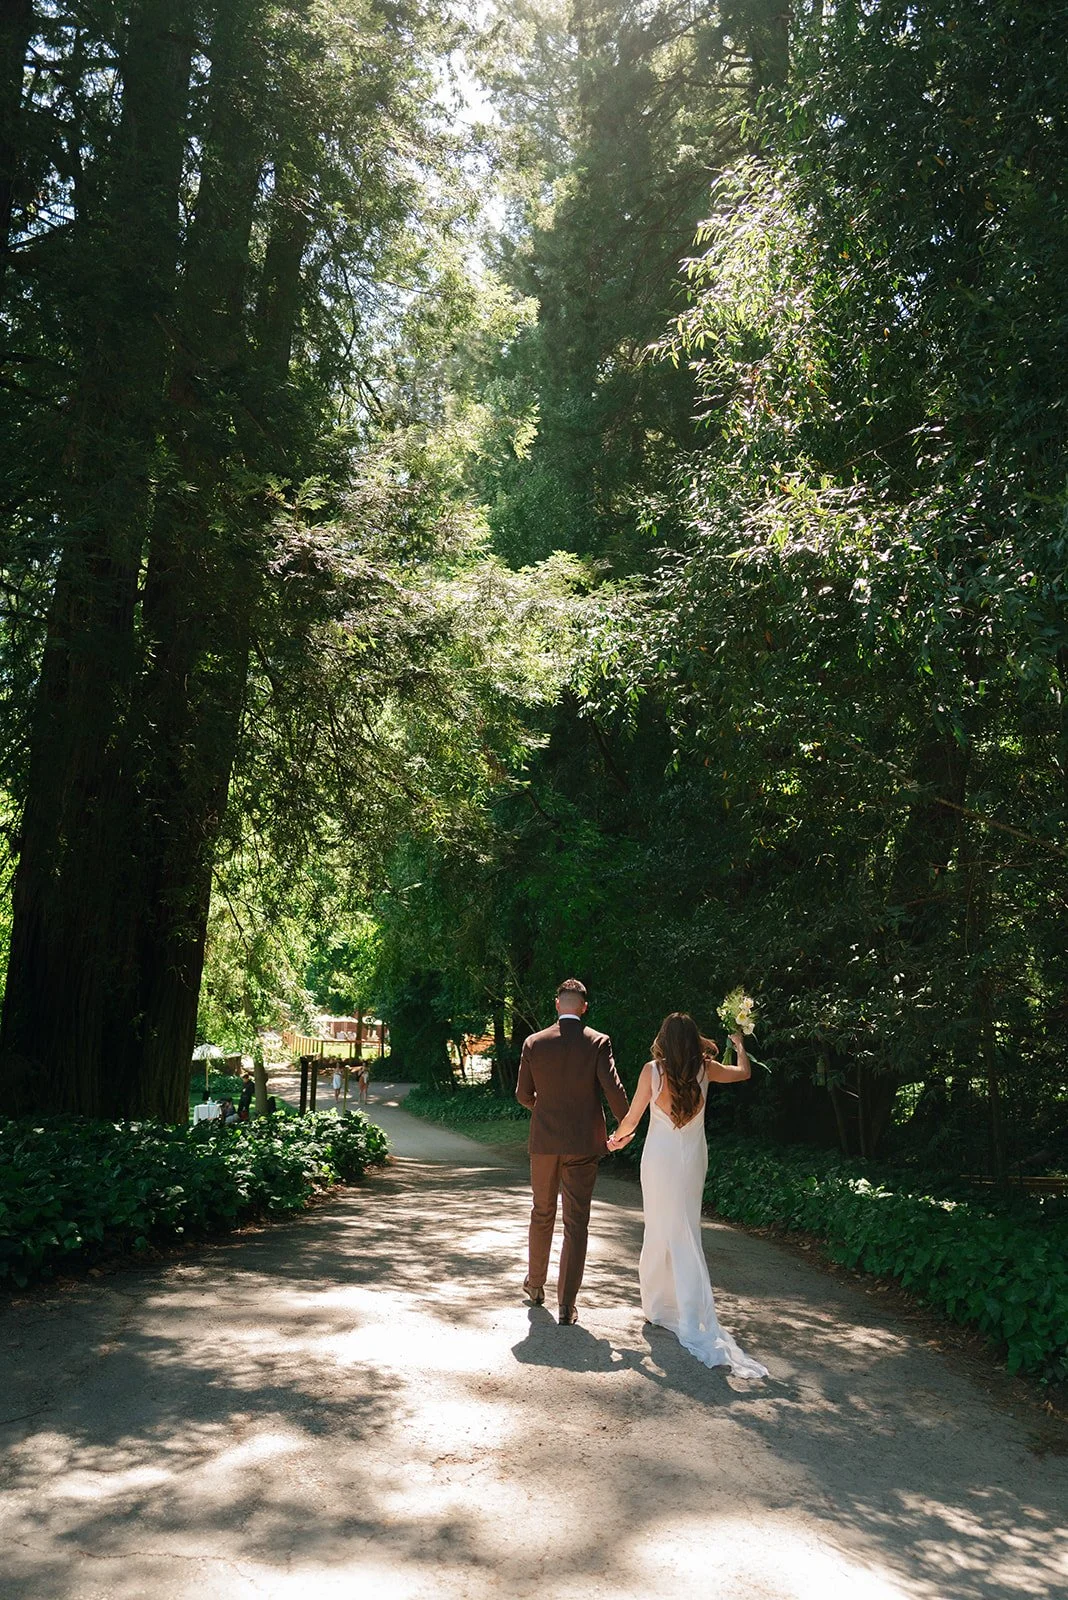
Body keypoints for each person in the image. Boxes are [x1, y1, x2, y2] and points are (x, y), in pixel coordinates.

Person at [607, 1013, 768, 1379]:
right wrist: (740, 1046)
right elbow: (744, 1073)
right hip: (692, 1159)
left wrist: (618, 1140)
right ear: (694, 1039)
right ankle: (685, 1308)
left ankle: (660, 1306)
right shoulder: (707, 1070)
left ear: (663, 1038)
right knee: (685, 1230)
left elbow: (632, 1118)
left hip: (659, 1160)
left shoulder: (652, 1071)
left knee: (660, 1229)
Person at [516, 978, 630, 1325]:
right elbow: (613, 1089)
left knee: (542, 1212)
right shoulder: (597, 1042)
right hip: (582, 1143)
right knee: (576, 1222)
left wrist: (545, 1110)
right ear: (583, 1007)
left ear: (557, 1005)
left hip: (545, 1143)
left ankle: (535, 1286)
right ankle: (566, 1306)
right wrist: (626, 1124)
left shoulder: (534, 1042)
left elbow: (523, 1095)